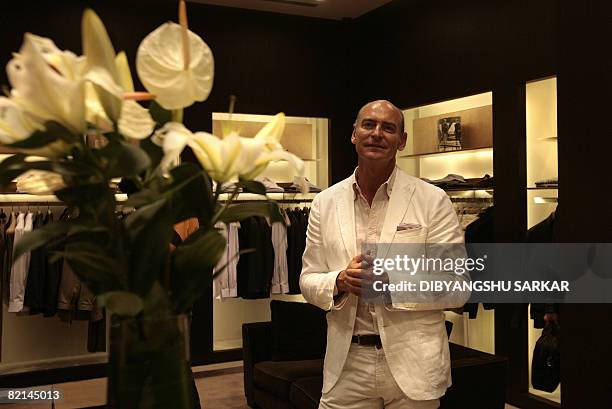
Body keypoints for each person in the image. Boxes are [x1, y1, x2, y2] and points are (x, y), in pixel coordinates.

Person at [299, 100, 470, 409]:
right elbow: (308, 279)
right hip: (346, 366)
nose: (376, 133)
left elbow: (458, 288)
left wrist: (390, 284)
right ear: (354, 134)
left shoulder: (433, 200)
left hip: (414, 368)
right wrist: (338, 280)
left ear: (402, 140)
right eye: (368, 125)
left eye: (388, 128)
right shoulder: (324, 203)